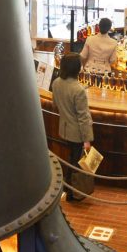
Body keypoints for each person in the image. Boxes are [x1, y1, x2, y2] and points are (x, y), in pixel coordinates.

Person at [50, 53, 94, 202]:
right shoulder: (78, 90)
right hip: (77, 133)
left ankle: (68, 189)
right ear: (77, 69)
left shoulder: (56, 83)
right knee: (76, 164)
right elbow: (83, 118)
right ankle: (72, 193)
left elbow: (55, 104)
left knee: (72, 159)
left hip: (64, 129)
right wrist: (87, 140)